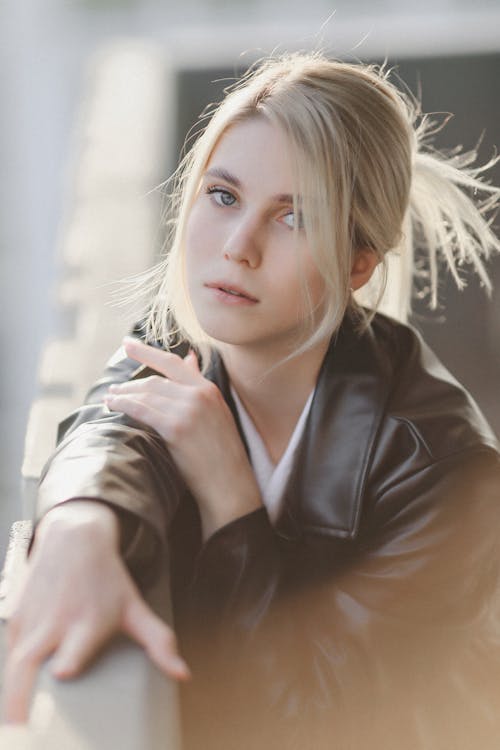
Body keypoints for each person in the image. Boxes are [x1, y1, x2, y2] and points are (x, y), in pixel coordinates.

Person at [3, 51, 500, 749]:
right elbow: (106, 430)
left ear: (359, 262)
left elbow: (311, 719)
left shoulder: (448, 474)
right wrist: (80, 524)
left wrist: (232, 499)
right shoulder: (175, 342)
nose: (238, 248)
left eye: (293, 217)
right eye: (224, 196)